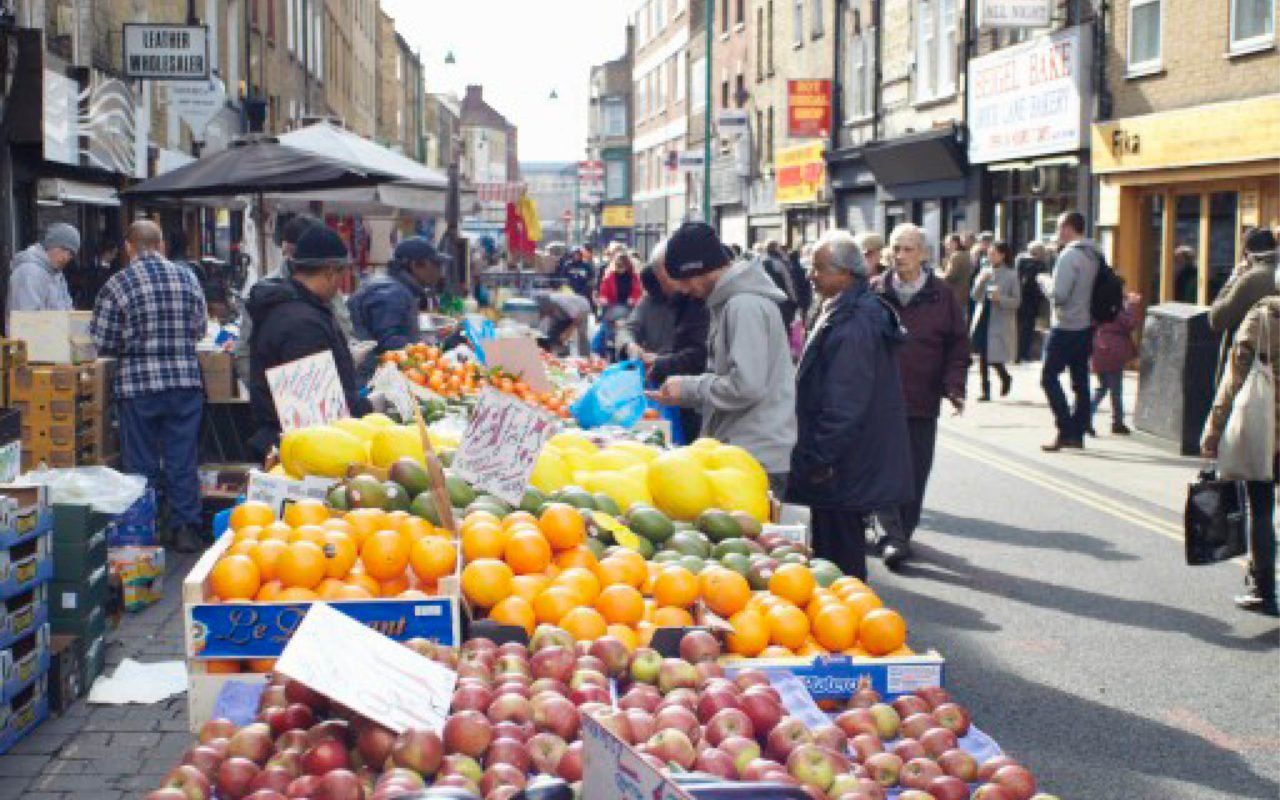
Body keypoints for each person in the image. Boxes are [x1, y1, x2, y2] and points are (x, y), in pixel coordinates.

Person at [787, 231, 913, 580]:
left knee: (841, 565)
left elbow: (844, 404)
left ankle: (850, 632)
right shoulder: (844, 310)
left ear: (845, 274)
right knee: (835, 557)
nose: (811, 275)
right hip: (842, 464)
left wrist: (816, 458)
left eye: (820, 269)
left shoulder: (855, 321)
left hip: (840, 467)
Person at [649, 222, 796, 494]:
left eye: (682, 280)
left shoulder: (744, 306)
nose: (682, 289)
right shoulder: (733, 303)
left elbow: (747, 386)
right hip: (743, 452)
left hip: (753, 456)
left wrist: (691, 388)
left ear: (699, 269)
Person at [90, 221, 208, 553]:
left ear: (129, 247)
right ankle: (185, 527)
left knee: (139, 461)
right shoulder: (188, 278)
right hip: (185, 383)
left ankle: (145, 529)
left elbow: (103, 340)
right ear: (161, 245)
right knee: (182, 457)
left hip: (138, 386)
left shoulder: (118, 284)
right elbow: (199, 329)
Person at [871, 223, 969, 568]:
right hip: (880, 401)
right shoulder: (874, 292)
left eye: (908, 249)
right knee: (880, 468)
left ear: (924, 254)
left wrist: (955, 385)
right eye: (895, 248)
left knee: (914, 473)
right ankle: (891, 536)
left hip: (921, 399)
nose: (900, 256)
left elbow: (958, 345)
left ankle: (902, 533)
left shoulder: (943, 296)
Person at [246, 225, 372, 458]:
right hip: (301, 447)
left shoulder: (295, 310)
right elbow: (315, 408)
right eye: (342, 274)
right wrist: (371, 407)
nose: (340, 285)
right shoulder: (303, 323)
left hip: (288, 438)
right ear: (330, 272)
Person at [1202, 292, 1280, 617]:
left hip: (1266, 429)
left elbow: (1234, 377)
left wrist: (1214, 429)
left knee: (1261, 507)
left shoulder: (1264, 315)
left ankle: (1264, 590)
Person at [619, 246, 710, 442]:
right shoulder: (649, 301)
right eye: (661, 281)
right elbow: (628, 328)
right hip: (662, 385)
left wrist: (660, 361)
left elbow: (699, 352)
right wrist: (629, 345)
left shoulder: (697, 302)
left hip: (690, 390)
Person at [1038, 211, 1102, 452]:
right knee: (1080, 380)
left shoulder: (1069, 256)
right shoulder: (1094, 254)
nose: (1057, 232)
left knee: (1048, 377)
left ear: (1066, 228)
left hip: (1065, 326)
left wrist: (1044, 281)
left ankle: (1065, 429)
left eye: (1058, 227)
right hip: (1086, 326)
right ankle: (1078, 431)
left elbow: (1060, 296)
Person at [348, 237, 449, 370]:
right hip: (371, 377)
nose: (439, 272)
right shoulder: (392, 293)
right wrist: (434, 346)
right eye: (436, 265)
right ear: (416, 265)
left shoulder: (394, 287)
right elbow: (388, 343)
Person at [1208, 228, 1278, 349]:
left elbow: (1217, 319)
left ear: (1246, 254)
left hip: (1253, 361)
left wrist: (1233, 279)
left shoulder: (1250, 280)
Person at [970, 241, 1021, 401]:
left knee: (994, 356)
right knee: (983, 355)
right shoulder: (985, 271)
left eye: (993, 254)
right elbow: (974, 296)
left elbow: (1017, 301)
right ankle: (985, 390)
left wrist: (1001, 299)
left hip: (1000, 319)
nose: (990, 257)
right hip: (983, 317)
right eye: (988, 254)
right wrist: (980, 281)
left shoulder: (1011, 275)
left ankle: (1005, 376)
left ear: (1002, 255)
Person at [1090, 291, 1141, 436]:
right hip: (1112, 353)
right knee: (1114, 390)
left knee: (1103, 387)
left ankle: (1087, 417)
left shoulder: (1097, 306)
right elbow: (1130, 324)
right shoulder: (1113, 309)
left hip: (1099, 349)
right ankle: (1117, 422)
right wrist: (1132, 306)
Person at [7, 223, 78, 323]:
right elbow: (27, 320)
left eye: (71, 253)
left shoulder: (56, 273)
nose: (65, 257)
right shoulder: (29, 272)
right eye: (63, 249)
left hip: (54, 336)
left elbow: (68, 309)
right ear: (50, 244)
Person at [1015, 241, 1049, 362]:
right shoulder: (1040, 264)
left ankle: (1017, 353)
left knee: (1019, 327)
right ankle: (1023, 353)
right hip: (1031, 300)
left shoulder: (1020, 261)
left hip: (1021, 298)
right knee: (1027, 328)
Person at [536, 290, 593, 357]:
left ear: (550, 304)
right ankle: (562, 353)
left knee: (581, 334)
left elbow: (578, 318)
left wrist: (567, 332)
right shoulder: (546, 306)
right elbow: (543, 317)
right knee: (552, 334)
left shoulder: (562, 302)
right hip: (564, 315)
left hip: (581, 309)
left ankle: (585, 357)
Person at [940, 234, 973, 317]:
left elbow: (948, 277)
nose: (946, 246)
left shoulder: (956, 256)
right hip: (964, 296)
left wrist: (938, 274)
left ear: (954, 243)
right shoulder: (967, 254)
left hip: (955, 296)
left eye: (947, 243)